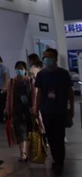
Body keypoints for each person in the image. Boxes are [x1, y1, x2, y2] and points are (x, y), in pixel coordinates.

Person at [34, 48, 75, 176]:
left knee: (59, 137)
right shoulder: (41, 75)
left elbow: (70, 92)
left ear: (55, 59)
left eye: (49, 57)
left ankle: (59, 162)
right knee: (50, 138)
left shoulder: (63, 74)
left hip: (60, 110)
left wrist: (71, 108)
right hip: (46, 111)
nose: (46, 59)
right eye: (45, 57)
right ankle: (56, 159)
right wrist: (36, 108)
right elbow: (39, 93)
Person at [4, 61, 34, 162]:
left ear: (25, 69)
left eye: (21, 68)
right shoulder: (12, 82)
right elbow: (9, 97)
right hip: (17, 111)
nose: (19, 70)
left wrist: (35, 109)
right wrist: (7, 109)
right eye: (18, 68)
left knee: (29, 132)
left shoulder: (30, 81)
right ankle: (23, 153)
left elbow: (34, 96)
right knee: (20, 133)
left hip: (29, 111)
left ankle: (29, 152)